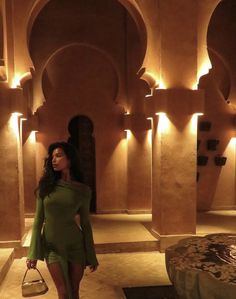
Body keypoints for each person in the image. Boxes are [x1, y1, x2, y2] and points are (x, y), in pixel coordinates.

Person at [26, 141, 98, 299]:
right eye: (52, 157)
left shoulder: (83, 190)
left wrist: (91, 255)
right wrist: (32, 253)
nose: (53, 160)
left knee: (74, 290)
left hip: (75, 246)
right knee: (63, 292)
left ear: (70, 160)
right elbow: (38, 222)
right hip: (52, 247)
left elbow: (85, 224)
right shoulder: (45, 187)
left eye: (58, 156)